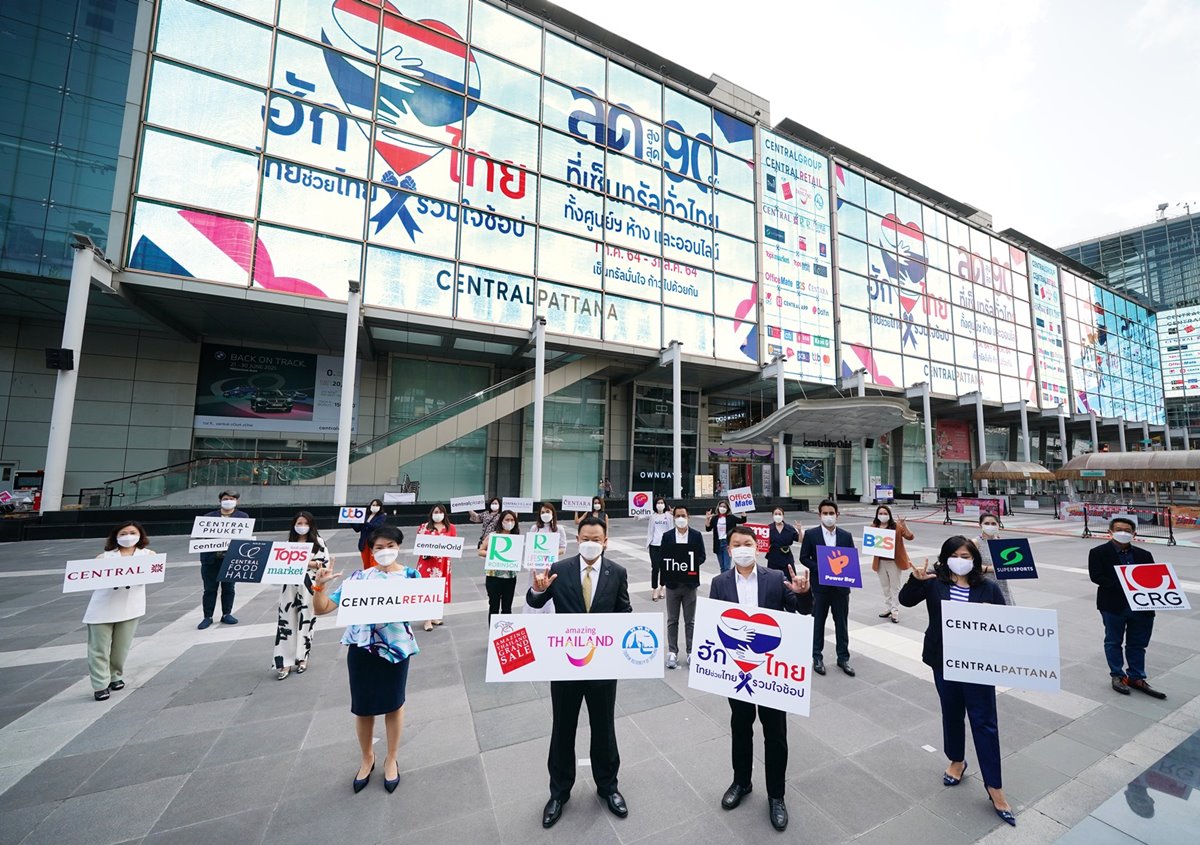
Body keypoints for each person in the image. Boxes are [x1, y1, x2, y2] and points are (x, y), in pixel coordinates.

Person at [899, 538, 1016, 826]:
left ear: (974, 559)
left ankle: (994, 786)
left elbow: (1004, 623)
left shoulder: (987, 587)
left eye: (965, 555)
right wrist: (915, 580)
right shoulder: (934, 582)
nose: (959, 560)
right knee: (951, 712)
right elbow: (905, 600)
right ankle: (956, 760)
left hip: (977, 665)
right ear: (944, 558)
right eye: (954, 555)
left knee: (984, 722)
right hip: (943, 660)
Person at [526, 516, 631, 828]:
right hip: (565, 665)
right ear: (577, 539)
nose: (591, 543)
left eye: (596, 539)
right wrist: (537, 590)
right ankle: (559, 792)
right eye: (586, 538)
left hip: (602, 666)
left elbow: (624, 612)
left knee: (604, 728)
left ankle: (608, 786)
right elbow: (536, 601)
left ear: (605, 541)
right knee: (563, 728)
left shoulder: (617, 572)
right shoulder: (560, 569)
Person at [711, 525, 812, 831]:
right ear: (729, 550)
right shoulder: (719, 583)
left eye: (748, 543)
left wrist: (803, 594)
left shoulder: (775, 578)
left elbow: (802, 610)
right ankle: (741, 782)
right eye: (737, 544)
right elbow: (713, 627)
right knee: (740, 727)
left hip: (771, 672)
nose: (743, 548)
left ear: (757, 547)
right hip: (738, 671)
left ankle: (776, 795)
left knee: (775, 734)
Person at [311, 525, 419, 794]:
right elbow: (322, 608)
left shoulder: (411, 576)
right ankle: (367, 757)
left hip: (395, 650)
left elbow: (425, 606)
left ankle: (391, 758)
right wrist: (319, 586)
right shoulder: (358, 579)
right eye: (379, 547)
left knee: (394, 704)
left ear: (399, 547)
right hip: (361, 650)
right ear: (371, 551)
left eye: (390, 546)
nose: (385, 551)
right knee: (363, 707)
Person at [1088, 517, 1167, 699]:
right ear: (1110, 532)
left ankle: (1136, 677)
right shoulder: (1098, 552)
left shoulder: (1144, 555)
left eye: (1127, 530)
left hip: (1142, 606)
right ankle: (1117, 675)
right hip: (1113, 605)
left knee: (1138, 643)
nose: (1123, 533)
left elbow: (1152, 578)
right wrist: (1125, 585)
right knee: (1113, 641)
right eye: (1118, 529)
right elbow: (1096, 576)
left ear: (1134, 534)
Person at [85, 521, 154, 701]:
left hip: (130, 607)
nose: (128, 536)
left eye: (132, 532)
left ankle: (114, 675)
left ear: (140, 535)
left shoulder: (149, 555)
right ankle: (100, 684)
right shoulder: (104, 558)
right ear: (116, 536)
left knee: (121, 647)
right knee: (98, 648)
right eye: (123, 533)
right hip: (103, 608)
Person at [799, 499, 856, 676]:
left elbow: (851, 559)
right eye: (825, 513)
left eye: (831, 513)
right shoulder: (811, 534)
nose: (828, 516)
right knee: (818, 623)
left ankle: (843, 658)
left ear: (837, 515)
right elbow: (804, 557)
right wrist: (822, 568)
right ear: (820, 515)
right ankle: (817, 656)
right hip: (820, 588)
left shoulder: (846, 536)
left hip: (841, 589)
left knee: (841, 623)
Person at [273, 511, 330, 680]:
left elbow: (324, 564)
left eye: (305, 523)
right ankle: (284, 661)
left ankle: (302, 658)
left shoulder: (318, 543)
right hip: (289, 586)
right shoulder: (288, 544)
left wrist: (304, 562)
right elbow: (280, 562)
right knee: (286, 621)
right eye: (299, 523)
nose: (302, 526)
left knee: (307, 620)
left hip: (309, 586)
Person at [659, 505, 706, 669]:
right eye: (678, 515)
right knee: (672, 620)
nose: (680, 518)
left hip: (689, 584)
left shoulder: (696, 535)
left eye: (683, 515)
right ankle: (672, 652)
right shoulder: (667, 536)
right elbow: (662, 557)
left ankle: (691, 651)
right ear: (673, 518)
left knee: (690, 620)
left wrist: (688, 563)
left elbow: (702, 556)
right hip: (672, 584)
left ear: (688, 517)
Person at [197, 490, 247, 629]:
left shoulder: (243, 517)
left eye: (232, 498)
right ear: (220, 501)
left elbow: (245, 537)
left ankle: (227, 614)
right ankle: (207, 617)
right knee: (209, 589)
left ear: (236, 501)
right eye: (226, 498)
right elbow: (200, 536)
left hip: (230, 559)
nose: (228, 501)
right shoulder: (208, 517)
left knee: (229, 588)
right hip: (210, 559)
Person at [415, 504, 455, 632]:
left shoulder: (451, 528)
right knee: (427, 590)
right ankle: (427, 619)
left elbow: (454, 545)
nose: (438, 514)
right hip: (427, 563)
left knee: (438, 590)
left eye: (440, 512)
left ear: (444, 514)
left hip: (443, 564)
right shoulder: (424, 527)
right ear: (431, 514)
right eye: (435, 512)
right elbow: (419, 544)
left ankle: (433, 616)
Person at [870, 505, 913, 623]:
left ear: (889, 515)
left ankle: (895, 610)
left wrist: (904, 525)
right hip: (880, 561)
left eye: (885, 513)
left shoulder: (897, 527)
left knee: (895, 586)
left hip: (894, 561)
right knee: (885, 586)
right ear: (877, 515)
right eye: (880, 513)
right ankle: (888, 607)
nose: (883, 516)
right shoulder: (874, 527)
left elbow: (910, 537)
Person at [525, 503, 567, 614]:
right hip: (536, 566)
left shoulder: (559, 529)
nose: (545, 514)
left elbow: (563, 548)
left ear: (553, 513)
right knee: (535, 590)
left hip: (550, 566)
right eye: (542, 512)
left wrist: (550, 553)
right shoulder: (535, 528)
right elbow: (530, 547)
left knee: (549, 592)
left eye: (547, 512)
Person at [481, 510, 520, 619]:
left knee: (507, 608)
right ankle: (492, 629)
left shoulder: (515, 537)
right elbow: (481, 551)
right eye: (507, 519)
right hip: (494, 577)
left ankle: (505, 629)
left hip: (510, 577)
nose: (510, 522)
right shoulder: (493, 536)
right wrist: (494, 553)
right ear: (501, 521)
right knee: (494, 606)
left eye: (512, 520)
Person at [976, 513, 1014, 605]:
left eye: (993, 524)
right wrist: (990, 569)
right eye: (986, 523)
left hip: (1002, 585)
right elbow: (971, 566)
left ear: (998, 525)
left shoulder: (1001, 543)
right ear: (980, 524)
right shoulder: (975, 543)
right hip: (983, 585)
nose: (990, 526)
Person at [705, 499, 746, 573]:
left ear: (727, 508)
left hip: (727, 543)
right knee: (722, 567)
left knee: (727, 567)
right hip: (718, 543)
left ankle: (727, 579)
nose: (722, 508)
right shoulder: (715, 518)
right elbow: (708, 528)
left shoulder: (731, 517)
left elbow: (743, 520)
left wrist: (743, 512)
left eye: (724, 507)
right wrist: (707, 519)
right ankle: (723, 579)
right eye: (721, 506)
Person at [646, 496, 672, 601]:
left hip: (665, 545)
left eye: (662, 503)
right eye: (658, 503)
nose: (660, 505)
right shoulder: (652, 516)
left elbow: (675, 525)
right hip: (654, 545)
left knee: (664, 568)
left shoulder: (668, 516)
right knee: (655, 567)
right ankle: (654, 589)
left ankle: (662, 588)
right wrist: (636, 511)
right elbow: (637, 517)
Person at [351, 499, 390, 569]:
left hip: (374, 542)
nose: (375, 507)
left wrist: (365, 522)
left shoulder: (382, 516)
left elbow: (376, 526)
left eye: (377, 505)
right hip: (364, 542)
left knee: (374, 563)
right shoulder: (365, 515)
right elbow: (357, 529)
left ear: (380, 507)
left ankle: (374, 575)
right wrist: (352, 521)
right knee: (366, 563)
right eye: (373, 505)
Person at [765, 507, 802, 581]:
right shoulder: (768, 528)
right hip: (773, 556)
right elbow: (762, 542)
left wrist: (799, 530)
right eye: (775, 514)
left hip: (786, 556)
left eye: (779, 514)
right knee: (773, 579)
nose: (777, 516)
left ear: (783, 516)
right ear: (772, 515)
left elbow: (799, 540)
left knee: (790, 578)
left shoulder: (789, 528)